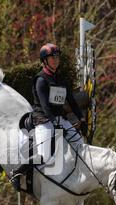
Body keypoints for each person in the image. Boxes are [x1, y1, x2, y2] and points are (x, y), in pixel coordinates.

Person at [10, 43, 87, 191]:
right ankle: (17, 172)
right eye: (53, 57)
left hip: (58, 118)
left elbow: (71, 101)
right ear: (45, 60)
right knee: (45, 157)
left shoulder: (60, 79)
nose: (56, 60)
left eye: (57, 57)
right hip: (43, 120)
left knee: (79, 143)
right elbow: (45, 106)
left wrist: (81, 119)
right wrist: (55, 124)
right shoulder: (41, 80)